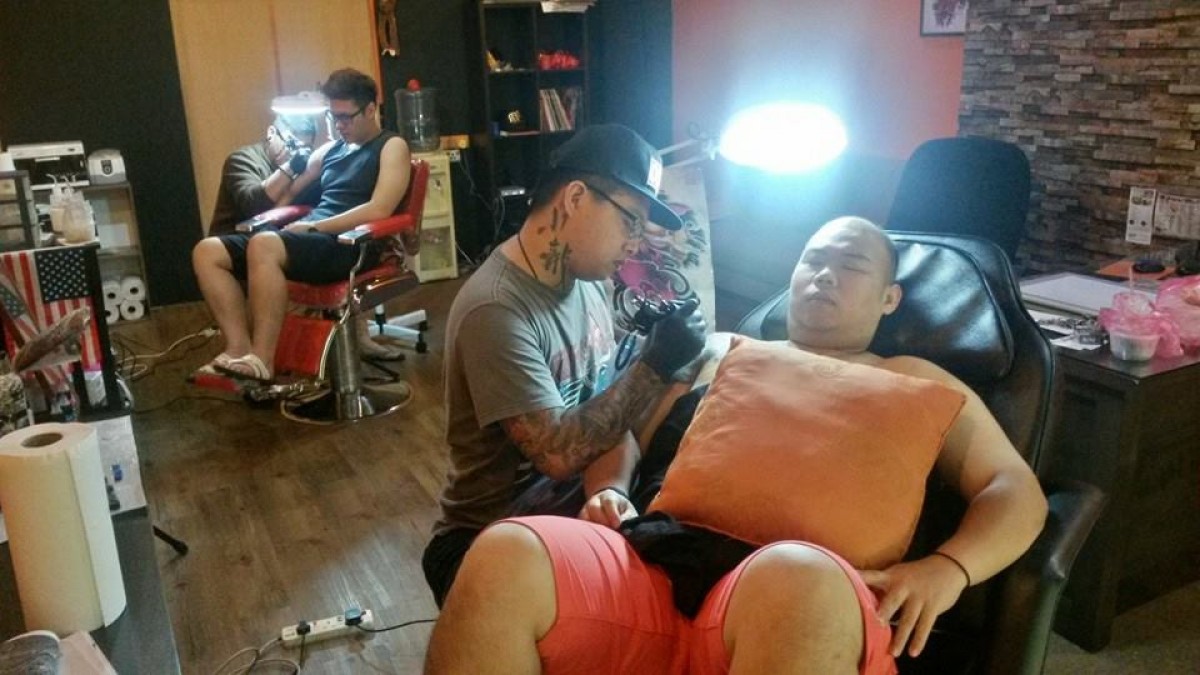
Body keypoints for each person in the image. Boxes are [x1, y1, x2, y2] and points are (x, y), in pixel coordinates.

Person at [423, 217, 1049, 674]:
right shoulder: (719, 349)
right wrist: (609, 487)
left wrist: (948, 569)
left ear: (890, 299)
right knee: (505, 550)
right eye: (812, 260)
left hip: (797, 599)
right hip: (656, 568)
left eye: (851, 265)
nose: (824, 274)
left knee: (795, 574)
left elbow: (1014, 490)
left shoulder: (916, 379)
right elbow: (627, 434)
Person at [422, 124, 709, 607]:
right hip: (487, 541)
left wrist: (610, 491)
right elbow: (556, 453)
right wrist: (656, 363)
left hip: (573, 504)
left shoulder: (587, 280)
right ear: (575, 198)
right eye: (630, 221)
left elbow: (607, 410)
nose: (636, 243)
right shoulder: (496, 309)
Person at [191, 68, 412, 382]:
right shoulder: (331, 149)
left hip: (351, 244)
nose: (339, 125)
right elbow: (289, 194)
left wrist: (315, 229)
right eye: (334, 117)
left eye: (346, 117)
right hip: (313, 238)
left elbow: (380, 208)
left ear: (371, 109)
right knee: (208, 251)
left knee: (264, 245)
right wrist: (272, 220)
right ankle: (238, 348)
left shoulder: (391, 146)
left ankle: (262, 360)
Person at [206, 115, 320, 236]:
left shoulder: (305, 163)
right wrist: (290, 167)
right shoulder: (241, 160)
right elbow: (253, 208)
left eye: (305, 148)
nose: (295, 153)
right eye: (291, 144)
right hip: (232, 239)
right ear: (271, 133)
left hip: (275, 237)